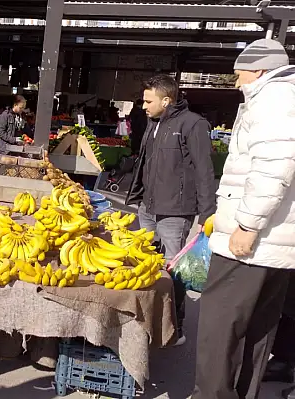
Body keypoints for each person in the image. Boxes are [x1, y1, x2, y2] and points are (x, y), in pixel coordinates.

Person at [192, 39, 295, 399]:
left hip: (252, 240)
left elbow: (274, 168)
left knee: (220, 328)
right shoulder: (287, 97)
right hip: (277, 245)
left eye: (240, 75)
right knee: (257, 329)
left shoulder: (274, 100)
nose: (236, 83)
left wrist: (248, 225)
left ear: (261, 70)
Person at [126, 74, 216, 346]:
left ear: (166, 100)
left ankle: (175, 326)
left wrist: (206, 213)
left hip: (175, 211)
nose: (143, 106)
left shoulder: (193, 124)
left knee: (174, 269)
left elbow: (204, 170)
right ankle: (149, 319)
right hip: (149, 207)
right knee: (145, 264)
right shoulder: (153, 123)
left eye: (148, 100)